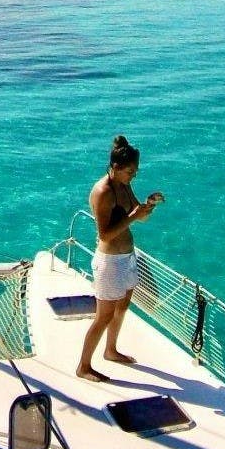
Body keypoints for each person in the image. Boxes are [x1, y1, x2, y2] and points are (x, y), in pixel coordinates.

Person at [77, 135, 163, 382]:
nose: (132, 176)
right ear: (115, 168)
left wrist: (147, 206)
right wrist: (133, 217)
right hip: (110, 263)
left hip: (127, 257)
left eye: (135, 172)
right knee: (103, 315)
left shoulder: (124, 185)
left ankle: (110, 350)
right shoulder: (103, 192)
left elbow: (140, 217)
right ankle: (83, 366)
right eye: (129, 172)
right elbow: (104, 235)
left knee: (122, 306)